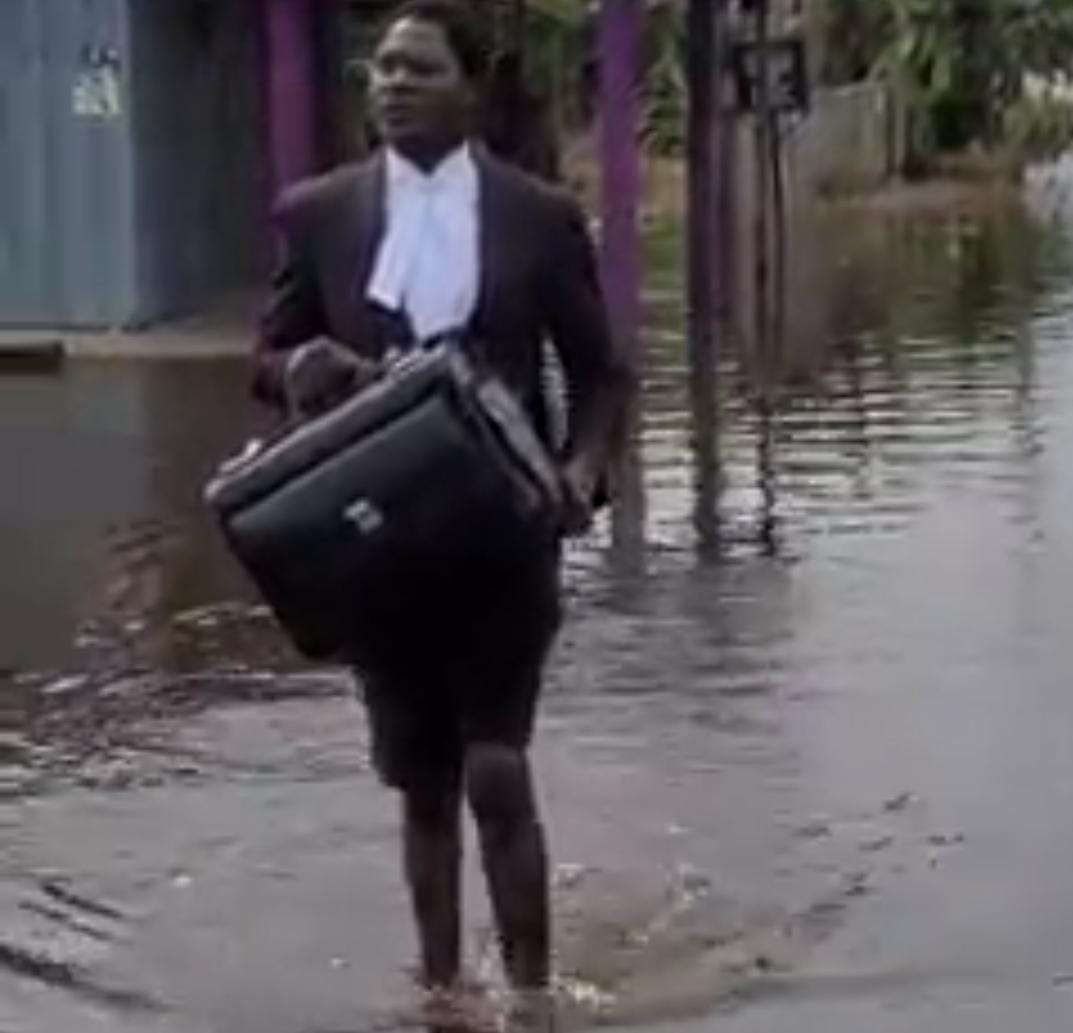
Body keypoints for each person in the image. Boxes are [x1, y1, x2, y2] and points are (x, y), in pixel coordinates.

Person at [251, 0, 631, 1001]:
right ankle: (439, 993)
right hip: (375, 538)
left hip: (503, 530)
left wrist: (583, 472)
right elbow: (266, 355)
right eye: (380, 68)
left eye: (419, 68)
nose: (392, 84)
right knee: (423, 783)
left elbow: (599, 374)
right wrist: (297, 367)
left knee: (496, 767)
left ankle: (532, 996)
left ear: (471, 87)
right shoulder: (319, 213)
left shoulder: (538, 219)